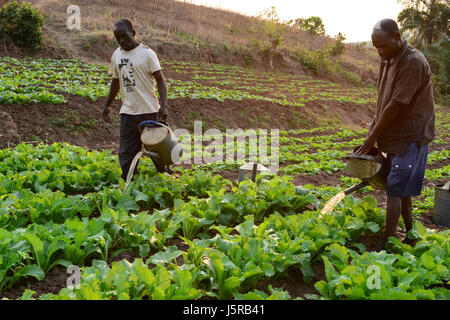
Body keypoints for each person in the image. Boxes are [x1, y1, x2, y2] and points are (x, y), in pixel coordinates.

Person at [355, 19, 435, 250]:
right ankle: (410, 233)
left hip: (411, 134)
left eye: (383, 46)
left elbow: (396, 104)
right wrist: (370, 135)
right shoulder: (389, 58)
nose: (380, 51)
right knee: (401, 188)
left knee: (395, 188)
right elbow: (383, 103)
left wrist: (371, 138)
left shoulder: (412, 61)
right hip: (395, 134)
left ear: (398, 36)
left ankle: (387, 243)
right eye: (375, 47)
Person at [103, 19, 169, 180]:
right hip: (128, 111)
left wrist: (164, 106)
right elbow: (116, 81)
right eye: (118, 38)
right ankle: (130, 179)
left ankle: (163, 176)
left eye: (125, 36)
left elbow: (160, 80)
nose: (122, 41)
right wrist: (107, 105)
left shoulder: (147, 54)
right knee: (126, 152)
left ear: (133, 33)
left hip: (149, 110)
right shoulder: (116, 55)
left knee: (158, 151)